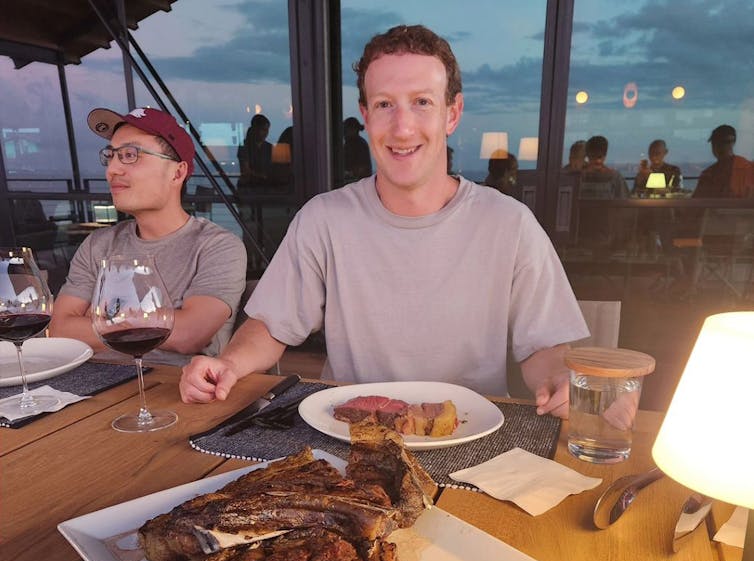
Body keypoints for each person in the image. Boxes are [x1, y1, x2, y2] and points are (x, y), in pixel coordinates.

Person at [180, 24, 588, 417]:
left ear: (453, 112)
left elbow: (545, 346)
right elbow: (271, 327)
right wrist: (230, 363)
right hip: (349, 435)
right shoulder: (324, 218)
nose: (403, 126)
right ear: (366, 116)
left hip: (472, 437)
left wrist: (559, 380)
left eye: (422, 102)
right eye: (384, 104)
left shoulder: (510, 223)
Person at [49, 107, 246, 365]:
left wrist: (95, 320)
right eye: (110, 156)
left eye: (130, 155)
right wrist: (159, 321)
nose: (112, 170)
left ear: (177, 173)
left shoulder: (216, 246)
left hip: (176, 393)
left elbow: (189, 335)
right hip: (94, 389)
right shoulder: (98, 245)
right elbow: (61, 330)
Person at [693, 124, 754, 198]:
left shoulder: (709, 174)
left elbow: (696, 205)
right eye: (715, 143)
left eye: (723, 142)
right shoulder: (750, 168)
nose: (717, 147)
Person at [238, 114, 273, 187]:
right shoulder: (244, 146)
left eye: (267, 130)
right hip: (249, 187)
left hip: (266, 187)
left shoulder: (269, 147)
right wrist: (264, 176)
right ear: (255, 129)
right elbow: (245, 170)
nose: (266, 133)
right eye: (263, 130)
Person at [343, 116, 373, 181]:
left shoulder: (358, 144)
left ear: (354, 129)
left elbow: (362, 169)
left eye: (346, 129)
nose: (344, 133)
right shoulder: (353, 143)